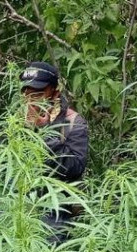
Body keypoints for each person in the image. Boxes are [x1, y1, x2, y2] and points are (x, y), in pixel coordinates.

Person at [21, 61, 89, 242]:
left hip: (56, 211)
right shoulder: (15, 122)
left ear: (54, 91)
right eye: (27, 94)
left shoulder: (73, 122)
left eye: (38, 93)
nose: (31, 100)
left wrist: (44, 133)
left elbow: (75, 167)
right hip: (19, 207)